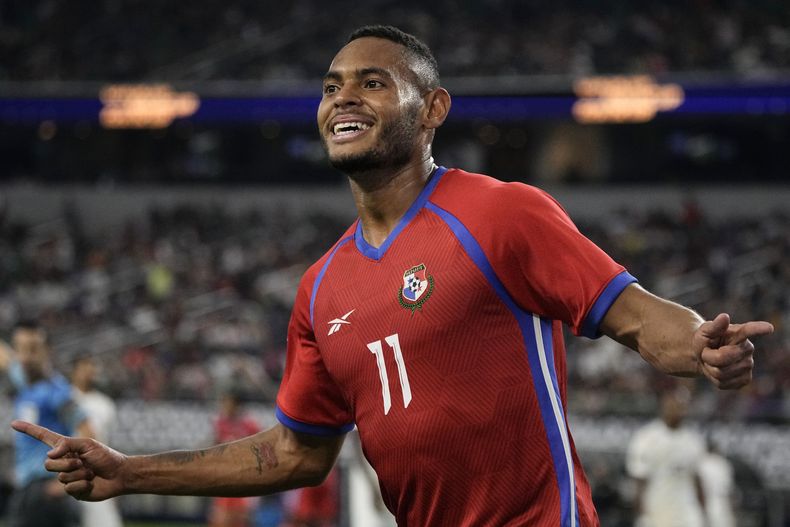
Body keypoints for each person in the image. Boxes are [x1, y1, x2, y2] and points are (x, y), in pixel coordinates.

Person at [11, 25, 774, 527]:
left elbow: (636, 316)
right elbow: (293, 453)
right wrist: (128, 471)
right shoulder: (319, 290)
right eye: (333, 84)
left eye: (374, 82)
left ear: (433, 107)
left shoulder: (499, 213)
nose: (344, 95)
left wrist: (702, 349)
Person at [1, 321, 93, 527]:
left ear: (46, 351)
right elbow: (5, 358)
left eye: (32, 349)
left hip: (51, 491)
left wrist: (66, 483)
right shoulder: (24, 379)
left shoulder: (57, 391)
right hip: (27, 489)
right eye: (21, 349)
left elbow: (88, 431)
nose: (25, 356)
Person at [626, 388, 707, 527]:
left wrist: (704, 512)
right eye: (672, 404)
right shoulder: (646, 438)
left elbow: (697, 480)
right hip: (657, 508)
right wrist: (641, 514)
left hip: (687, 509)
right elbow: (639, 481)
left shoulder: (693, 440)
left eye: (681, 405)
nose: (676, 409)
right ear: (664, 406)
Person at [70, 357, 124, 527]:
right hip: (66, 470)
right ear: (74, 371)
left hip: (96, 473)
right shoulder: (63, 396)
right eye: (84, 367)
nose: (89, 373)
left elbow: (109, 442)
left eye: (92, 368)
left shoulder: (105, 404)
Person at [209, 389, 261, 527]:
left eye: (227, 402)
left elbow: (259, 450)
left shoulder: (250, 425)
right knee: (220, 519)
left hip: (245, 480)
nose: (225, 406)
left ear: (236, 404)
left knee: (242, 519)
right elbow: (214, 448)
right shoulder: (220, 424)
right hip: (225, 479)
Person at [698, 438, 737, 527]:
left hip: (706, 502)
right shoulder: (724, 463)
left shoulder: (701, 462)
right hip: (722, 502)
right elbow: (730, 490)